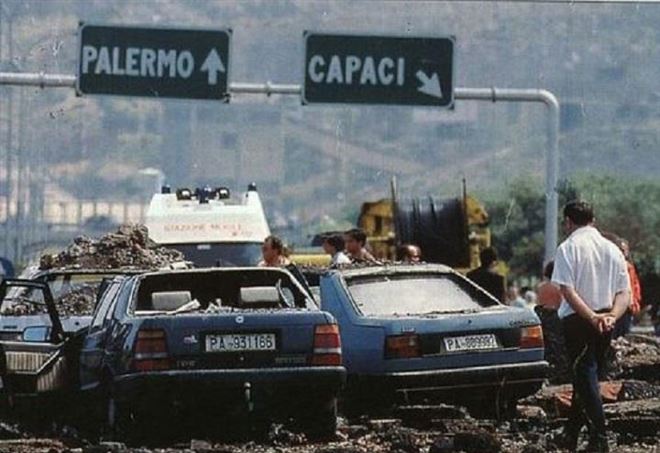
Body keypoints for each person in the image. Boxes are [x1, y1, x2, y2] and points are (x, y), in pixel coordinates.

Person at [552, 201, 630, 453]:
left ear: (567, 222)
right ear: (593, 220)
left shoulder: (568, 247)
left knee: (585, 377)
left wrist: (590, 317)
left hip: (579, 321)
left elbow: (567, 290)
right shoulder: (612, 249)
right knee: (585, 379)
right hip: (606, 319)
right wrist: (611, 316)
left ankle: (600, 437)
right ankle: (570, 435)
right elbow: (624, 292)